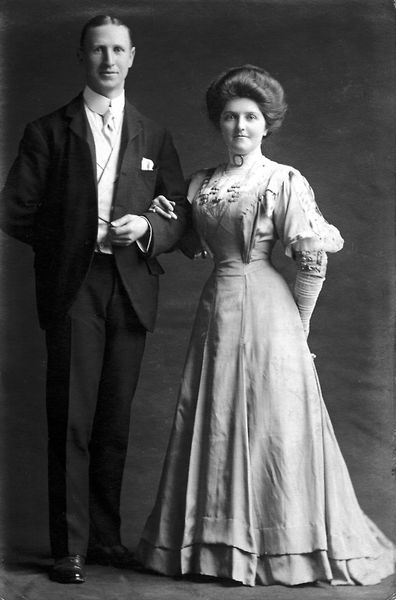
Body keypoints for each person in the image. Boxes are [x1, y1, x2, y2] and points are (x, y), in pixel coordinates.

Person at [135, 65, 394, 586]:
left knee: (274, 425)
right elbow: (185, 237)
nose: (240, 127)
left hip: (270, 310)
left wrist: (297, 334)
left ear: (267, 123)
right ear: (219, 122)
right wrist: (161, 213)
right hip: (218, 308)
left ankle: (281, 547)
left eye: (251, 117)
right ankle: (214, 547)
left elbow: (312, 262)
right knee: (217, 417)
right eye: (230, 117)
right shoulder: (200, 182)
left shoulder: (282, 179)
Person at [0, 15, 188, 584]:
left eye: (118, 51)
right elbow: (14, 211)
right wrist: (79, 236)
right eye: (98, 50)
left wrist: (148, 227)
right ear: (83, 57)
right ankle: (70, 547)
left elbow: (177, 205)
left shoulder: (153, 133)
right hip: (75, 286)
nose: (109, 60)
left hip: (131, 287)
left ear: (133, 57)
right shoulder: (48, 130)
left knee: (114, 421)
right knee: (72, 420)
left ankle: (106, 540)